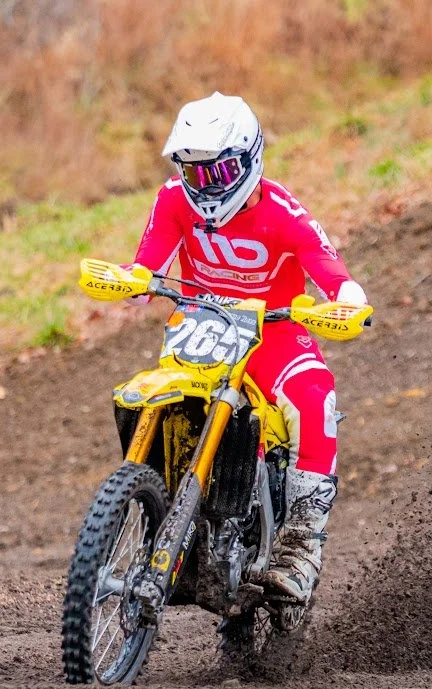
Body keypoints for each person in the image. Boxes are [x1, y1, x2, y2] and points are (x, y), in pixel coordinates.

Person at [129, 92, 368, 607]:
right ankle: (148, 506)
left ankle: (301, 548)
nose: (205, 185)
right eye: (195, 174)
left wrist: (347, 298)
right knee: (151, 397)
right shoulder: (173, 199)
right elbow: (148, 263)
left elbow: (328, 265)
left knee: (314, 398)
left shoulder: (284, 212)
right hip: (201, 326)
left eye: (218, 172)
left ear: (250, 158)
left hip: (275, 333)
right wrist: (132, 281)